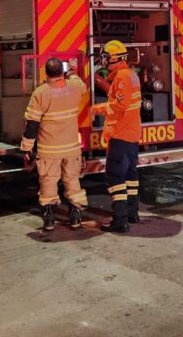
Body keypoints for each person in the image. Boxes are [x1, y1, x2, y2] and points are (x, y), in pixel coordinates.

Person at [21, 57, 89, 231]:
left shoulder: (40, 93)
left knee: (48, 182)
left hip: (49, 150)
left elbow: (32, 125)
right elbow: (80, 83)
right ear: (62, 72)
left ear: (46, 73)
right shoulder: (74, 88)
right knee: (72, 181)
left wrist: (27, 148)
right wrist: (72, 70)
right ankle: (75, 215)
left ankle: (50, 217)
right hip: (72, 148)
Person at [97, 40, 142, 234]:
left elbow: (120, 106)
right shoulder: (131, 74)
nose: (104, 61)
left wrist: (97, 109)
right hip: (131, 134)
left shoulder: (122, 77)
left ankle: (120, 221)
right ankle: (132, 213)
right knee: (131, 175)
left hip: (121, 135)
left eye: (106, 57)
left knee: (115, 177)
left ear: (114, 59)